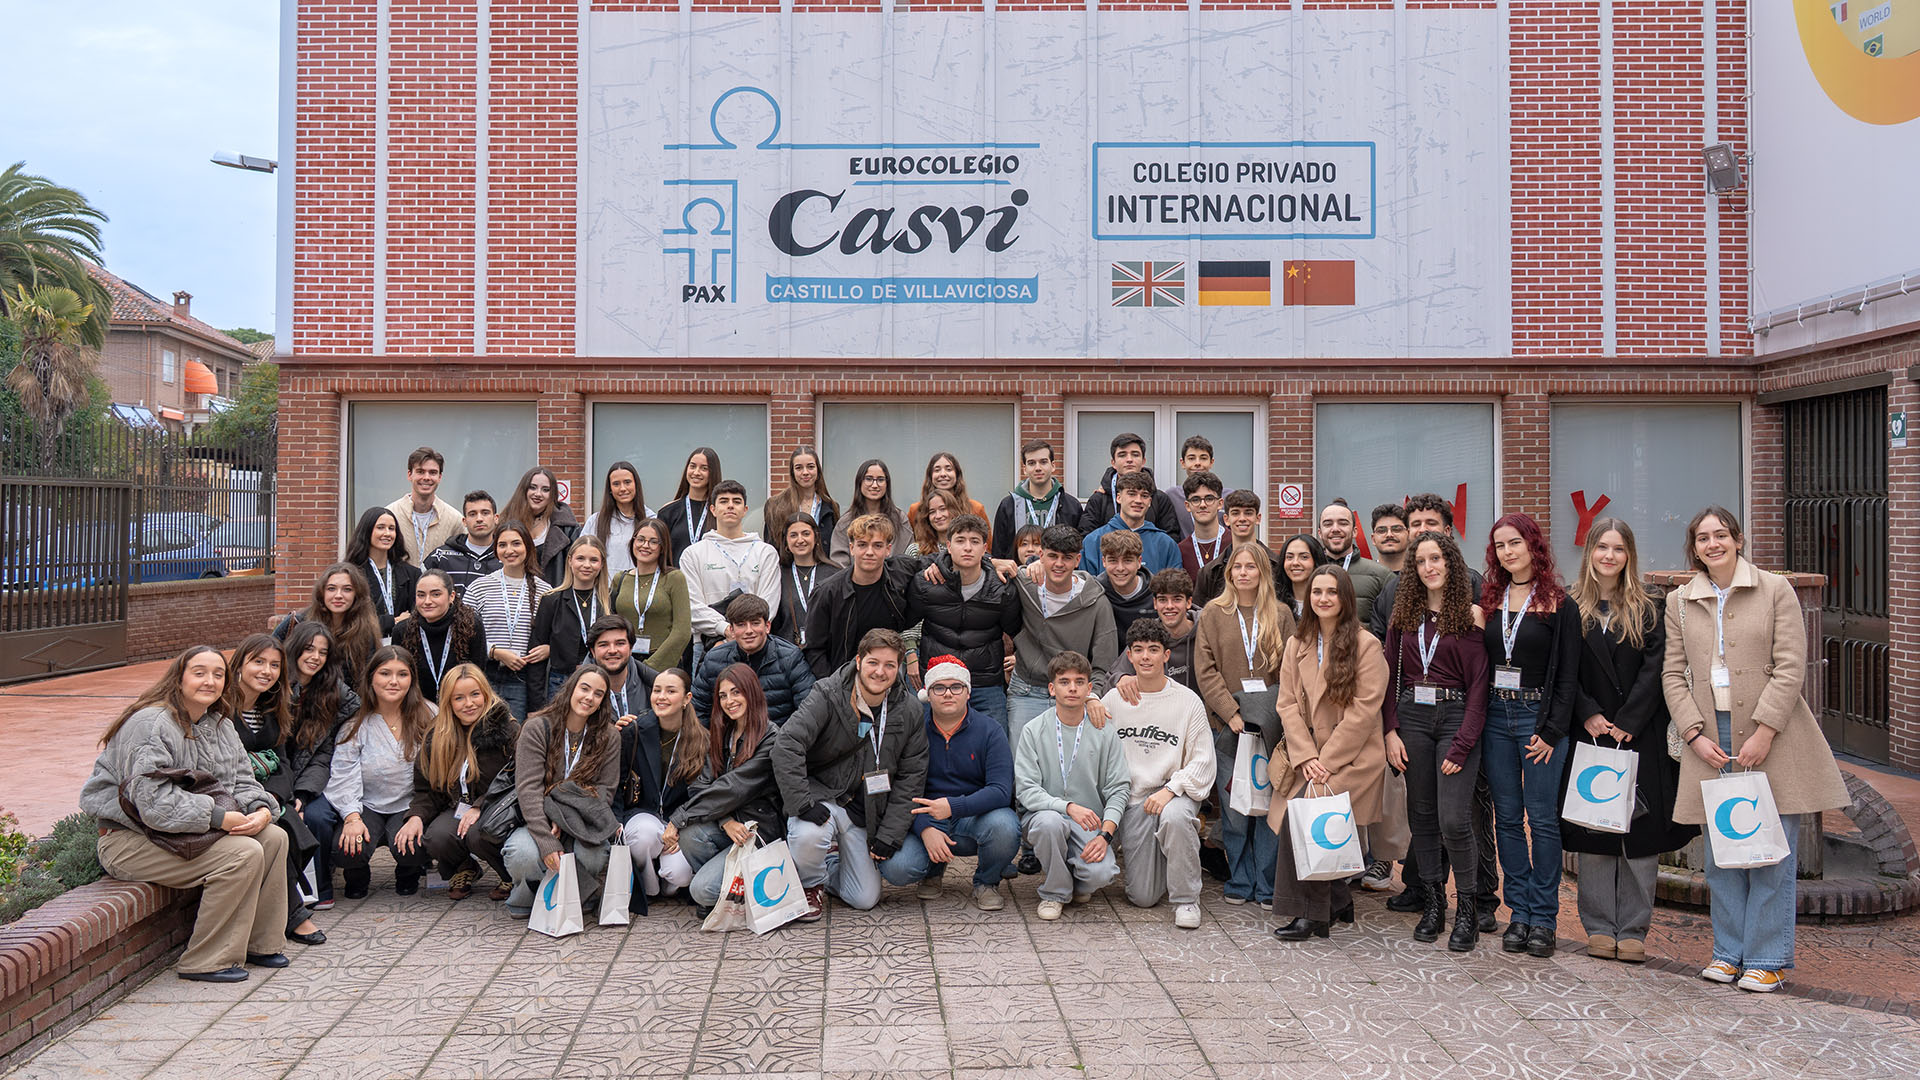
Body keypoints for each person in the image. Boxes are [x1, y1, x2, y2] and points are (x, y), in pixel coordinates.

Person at [1664, 505, 1848, 994]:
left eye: (1721, 535)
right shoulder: (1681, 601)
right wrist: (1693, 733)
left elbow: (1791, 665)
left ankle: (1767, 958)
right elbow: (1672, 674)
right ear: (1694, 547)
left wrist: (1765, 730)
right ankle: (1728, 952)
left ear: (1738, 539)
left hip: (1772, 735)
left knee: (1769, 851)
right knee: (1723, 851)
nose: (1712, 544)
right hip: (1711, 738)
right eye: (1702, 538)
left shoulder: (1774, 589)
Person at [81, 646, 290, 982]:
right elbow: (152, 803)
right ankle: (206, 959)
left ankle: (260, 943)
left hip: (180, 834)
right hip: (131, 840)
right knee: (242, 854)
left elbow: (242, 781)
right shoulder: (151, 724)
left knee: (274, 838)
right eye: (199, 672)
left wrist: (262, 810)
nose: (210, 681)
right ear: (178, 679)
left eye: (218, 674)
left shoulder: (219, 724)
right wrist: (218, 817)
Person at [1562, 518, 1696, 963]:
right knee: (1596, 830)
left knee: (1640, 836)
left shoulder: (1650, 606)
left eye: (1618, 549)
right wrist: (1590, 714)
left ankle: (1634, 929)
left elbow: (1659, 668)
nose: (1609, 556)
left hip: (1640, 733)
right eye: (1602, 547)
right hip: (1592, 733)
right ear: (1590, 552)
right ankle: (1599, 927)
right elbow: (1562, 672)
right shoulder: (1569, 605)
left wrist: (1630, 720)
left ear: (1629, 555)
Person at [1369, 493, 1496, 923]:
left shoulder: (1472, 614)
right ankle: (1434, 905)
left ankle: (1470, 909)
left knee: (1455, 820)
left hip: (1456, 719)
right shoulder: (1403, 615)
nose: (1429, 566)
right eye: (1420, 560)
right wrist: (1390, 731)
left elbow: (1480, 685)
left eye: (1436, 558)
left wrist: (1462, 744)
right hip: (1413, 721)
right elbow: (1390, 677)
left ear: (1450, 560)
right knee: (1421, 816)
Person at [1478, 512, 1582, 957]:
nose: (1508, 551)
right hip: (1496, 719)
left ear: (1533, 545)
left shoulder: (1560, 603)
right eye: (1500, 545)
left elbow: (1569, 677)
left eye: (1515, 542)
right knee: (1506, 819)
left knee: (1541, 819)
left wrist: (1553, 730)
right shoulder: (1491, 599)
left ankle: (1544, 917)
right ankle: (1517, 912)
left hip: (1539, 720)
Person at [774, 629, 929, 916]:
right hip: (821, 796)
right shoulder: (828, 693)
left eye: (890, 665)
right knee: (809, 837)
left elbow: (912, 776)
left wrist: (890, 834)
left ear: (899, 668)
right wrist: (802, 802)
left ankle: (829, 866)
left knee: (864, 898)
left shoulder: (909, 710)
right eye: (873, 662)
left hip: (864, 809)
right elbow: (787, 744)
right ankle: (810, 885)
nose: (880, 672)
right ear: (859, 661)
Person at [1271, 566, 1389, 941]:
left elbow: (1363, 712)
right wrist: (1306, 757)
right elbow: (1287, 704)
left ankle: (1311, 914)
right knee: (1309, 815)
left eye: (1332, 592)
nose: (1323, 598)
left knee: (1304, 817)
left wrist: (1328, 762)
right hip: (1308, 757)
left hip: (1353, 757)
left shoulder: (1366, 645)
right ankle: (1338, 900)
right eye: (1317, 591)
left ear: (1345, 598)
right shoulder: (1297, 643)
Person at [1195, 542, 1297, 907]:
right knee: (1236, 808)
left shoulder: (1281, 614)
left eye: (1250, 567)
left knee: (1269, 805)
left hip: (1270, 726)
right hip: (1228, 727)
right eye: (1236, 567)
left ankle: (1268, 884)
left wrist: (1271, 715)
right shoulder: (1213, 613)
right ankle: (1240, 878)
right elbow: (1205, 670)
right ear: (1228, 573)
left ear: (1262, 573)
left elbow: (1291, 671)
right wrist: (1230, 713)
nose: (1243, 573)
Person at [872, 656, 1019, 910]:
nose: (948, 694)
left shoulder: (990, 731)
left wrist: (953, 806)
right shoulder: (913, 731)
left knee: (1005, 827)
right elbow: (897, 789)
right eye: (939, 688)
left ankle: (986, 881)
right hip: (923, 815)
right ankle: (932, 870)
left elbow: (1001, 791)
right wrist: (924, 827)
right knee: (897, 868)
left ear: (968, 692)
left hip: (974, 817)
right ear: (928, 694)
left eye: (956, 687)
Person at [1104, 619, 1214, 929]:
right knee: (1143, 896)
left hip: (1171, 792)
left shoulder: (1187, 701)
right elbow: (1088, 731)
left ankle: (1186, 899)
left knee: (1176, 818)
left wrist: (1172, 789)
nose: (1146, 657)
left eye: (1153, 650)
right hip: (1133, 799)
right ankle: (1168, 856)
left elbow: (1204, 761)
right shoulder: (1114, 699)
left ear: (1166, 655)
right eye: (1138, 651)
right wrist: (1088, 700)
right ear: (1129, 655)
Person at [1012, 651, 1130, 921]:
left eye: (1079, 682)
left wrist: (1106, 836)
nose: (1073, 688)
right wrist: (1067, 806)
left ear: (1090, 688)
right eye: (1064, 682)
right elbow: (1027, 790)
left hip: (1088, 821)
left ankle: (1073, 879)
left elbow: (1119, 787)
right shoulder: (1033, 730)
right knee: (1050, 824)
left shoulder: (1104, 731)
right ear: (1052, 689)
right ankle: (1055, 893)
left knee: (1102, 874)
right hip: (1044, 814)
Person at [224, 635, 326, 946]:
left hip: (268, 795)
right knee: (283, 825)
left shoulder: (273, 707)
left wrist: (280, 797)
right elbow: (228, 766)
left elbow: (281, 763)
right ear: (240, 664)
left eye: (274, 665)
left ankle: (285, 909)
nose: (267, 671)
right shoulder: (222, 709)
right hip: (232, 795)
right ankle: (294, 913)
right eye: (258, 662)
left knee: (288, 817)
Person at [502, 665, 622, 916]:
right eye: (585, 689)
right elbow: (528, 787)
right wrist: (546, 834)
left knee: (593, 856)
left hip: (583, 820)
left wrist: (564, 818)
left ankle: (575, 894)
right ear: (571, 689)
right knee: (521, 855)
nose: (589, 698)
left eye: (598, 694)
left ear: (603, 701)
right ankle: (527, 894)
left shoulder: (609, 736)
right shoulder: (537, 727)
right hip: (537, 818)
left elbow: (605, 790)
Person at [394, 664, 518, 901]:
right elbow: (426, 789)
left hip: (498, 807)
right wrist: (416, 816)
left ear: (485, 693)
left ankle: (509, 874)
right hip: (458, 808)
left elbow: (516, 778)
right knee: (435, 837)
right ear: (448, 703)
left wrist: (481, 805)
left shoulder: (507, 729)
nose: (468, 703)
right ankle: (464, 868)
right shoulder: (437, 735)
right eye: (458, 698)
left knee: (478, 834)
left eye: (474, 694)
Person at [666, 664, 785, 911]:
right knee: (690, 835)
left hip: (757, 831)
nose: (729, 701)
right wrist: (725, 821)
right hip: (731, 827)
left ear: (751, 693)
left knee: (701, 890)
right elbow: (700, 787)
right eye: (723, 695)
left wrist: (679, 816)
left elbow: (734, 787)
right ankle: (727, 890)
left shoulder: (770, 737)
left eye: (736, 692)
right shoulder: (721, 733)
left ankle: (730, 893)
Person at [327, 645, 435, 899]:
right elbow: (343, 774)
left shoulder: (430, 716)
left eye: (402, 674)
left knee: (414, 845)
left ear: (412, 679)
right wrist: (352, 818)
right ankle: (357, 874)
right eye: (385, 673)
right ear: (371, 678)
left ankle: (408, 872)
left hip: (410, 803)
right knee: (347, 848)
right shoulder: (355, 725)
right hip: (368, 805)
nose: (393, 681)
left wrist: (419, 814)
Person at [904, 513, 1023, 725]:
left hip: (984, 682)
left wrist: (1020, 658)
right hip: (937, 678)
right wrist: (910, 653)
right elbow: (903, 622)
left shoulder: (1002, 589)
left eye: (975, 541)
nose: (967, 548)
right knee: (923, 747)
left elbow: (1019, 632)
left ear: (985, 548)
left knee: (995, 745)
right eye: (960, 541)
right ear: (948, 546)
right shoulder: (926, 583)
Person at [1006, 524, 1119, 744]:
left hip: (1074, 693)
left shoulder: (1096, 601)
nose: (1059, 564)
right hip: (1027, 690)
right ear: (1041, 556)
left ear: (1077, 560)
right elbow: (975, 567)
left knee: (1069, 769)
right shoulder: (1025, 583)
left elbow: (1104, 661)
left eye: (1066, 558)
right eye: (1052, 556)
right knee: (1021, 767)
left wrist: (1092, 695)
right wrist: (999, 562)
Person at [283, 621, 357, 910]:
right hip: (274, 775)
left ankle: (319, 887)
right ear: (295, 649)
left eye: (323, 652)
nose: (315, 657)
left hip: (311, 778)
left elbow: (325, 752)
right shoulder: (275, 685)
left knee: (315, 816)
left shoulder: (333, 691)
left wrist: (302, 793)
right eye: (309, 649)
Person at [618, 668, 706, 903]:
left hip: (680, 821)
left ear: (687, 699)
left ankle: (667, 882)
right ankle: (649, 888)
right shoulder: (634, 730)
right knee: (642, 836)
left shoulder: (701, 738)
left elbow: (701, 795)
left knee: (679, 875)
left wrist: (677, 826)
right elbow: (619, 783)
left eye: (671, 691)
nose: (661, 697)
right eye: (657, 690)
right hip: (643, 814)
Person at [805, 513, 919, 677]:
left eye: (877, 545)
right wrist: (833, 685)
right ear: (852, 548)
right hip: (843, 679)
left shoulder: (899, 572)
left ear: (888, 550)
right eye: (862, 545)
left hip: (888, 676)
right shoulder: (827, 592)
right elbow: (814, 649)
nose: (869, 552)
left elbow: (933, 562)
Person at [462, 520, 554, 719]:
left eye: (516, 543)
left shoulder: (545, 591)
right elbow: (462, 636)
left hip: (522, 680)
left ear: (528, 547)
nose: (509, 550)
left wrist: (549, 649)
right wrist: (495, 652)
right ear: (495, 550)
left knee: (515, 739)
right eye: (502, 545)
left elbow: (556, 635)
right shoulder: (479, 587)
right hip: (484, 676)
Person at [681, 480, 782, 653]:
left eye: (736, 501)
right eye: (723, 501)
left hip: (756, 643)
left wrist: (745, 630)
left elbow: (769, 602)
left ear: (745, 510)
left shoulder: (765, 552)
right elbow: (691, 605)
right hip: (709, 644)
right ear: (712, 510)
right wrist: (725, 629)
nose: (730, 506)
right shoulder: (693, 554)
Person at [1369, 492, 1483, 639]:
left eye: (1431, 523)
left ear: (1447, 531)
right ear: (1409, 533)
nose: (1423, 529)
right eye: (1416, 524)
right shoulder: (1392, 589)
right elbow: (1380, 640)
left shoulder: (1472, 583)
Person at [692, 594, 815, 726]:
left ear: (767, 626)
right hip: (729, 741)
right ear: (731, 630)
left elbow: (807, 711)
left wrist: (783, 743)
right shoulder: (714, 660)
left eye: (755, 623)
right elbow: (698, 710)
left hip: (779, 741)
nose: (749, 631)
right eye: (741, 625)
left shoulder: (790, 657)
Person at [530, 535, 613, 703]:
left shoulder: (610, 601)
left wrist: (552, 648)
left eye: (594, 560)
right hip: (560, 682)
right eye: (580, 558)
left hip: (600, 681)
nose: (587, 565)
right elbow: (536, 657)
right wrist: (535, 705)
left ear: (602, 564)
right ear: (570, 560)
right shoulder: (551, 600)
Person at [273, 563, 382, 687]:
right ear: (322, 592)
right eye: (331, 588)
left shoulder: (366, 633)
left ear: (357, 594)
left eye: (347, 589)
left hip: (342, 703)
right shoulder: (297, 622)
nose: (338, 595)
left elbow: (367, 680)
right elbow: (269, 656)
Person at [391, 570, 489, 704]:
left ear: (451, 596)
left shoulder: (471, 626)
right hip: (418, 708)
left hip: (461, 706)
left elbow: (478, 674)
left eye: (435, 594)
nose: (427, 601)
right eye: (421, 595)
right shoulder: (402, 630)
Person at [610, 517, 692, 671]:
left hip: (663, 665)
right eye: (640, 539)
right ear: (633, 542)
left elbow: (682, 631)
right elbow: (612, 624)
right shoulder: (620, 579)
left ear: (662, 547)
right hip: (626, 664)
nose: (645, 545)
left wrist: (650, 667)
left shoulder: (674, 578)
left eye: (654, 541)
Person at [1079, 433, 1183, 540]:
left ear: (1143, 461)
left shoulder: (1160, 499)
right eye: (1122, 455)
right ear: (1113, 463)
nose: (1129, 459)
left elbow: (1171, 538)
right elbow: (1086, 539)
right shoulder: (1099, 499)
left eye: (1135, 454)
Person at [993, 439, 1084, 561]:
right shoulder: (1008, 505)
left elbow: (1077, 548)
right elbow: (999, 552)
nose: (1038, 468)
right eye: (1031, 463)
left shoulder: (1071, 505)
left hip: (1058, 574)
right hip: (1018, 577)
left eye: (1043, 462)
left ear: (1053, 466)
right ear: (1025, 469)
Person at [1079, 471, 1181, 576]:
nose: (1138, 500)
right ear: (1118, 498)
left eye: (1144, 496)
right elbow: (1087, 588)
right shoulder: (1093, 541)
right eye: (1132, 494)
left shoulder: (1166, 544)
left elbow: (1172, 589)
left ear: (1150, 502)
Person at [1114, 569, 1199, 692]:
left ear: (1189, 602)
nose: (1169, 606)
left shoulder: (1206, 630)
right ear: (1155, 603)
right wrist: (1123, 677)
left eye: (1177, 599)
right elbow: (1113, 675)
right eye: (1163, 600)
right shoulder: (1147, 633)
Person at [1192, 490, 1283, 606]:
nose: (1242, 518)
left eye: (1248, 513)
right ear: (1226, 519)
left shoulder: (1277, 566)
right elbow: (1201, 616)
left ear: (1258, 518)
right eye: (1235, 513)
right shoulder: (1209, 573)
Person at [344, 506, 419, 639]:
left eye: (391, 528)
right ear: (367, 531)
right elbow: (351, 621)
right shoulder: (349, 574)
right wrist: (393, 621)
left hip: (403, 650)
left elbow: (417, 617)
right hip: (364, 649)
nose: (387, 533)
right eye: (380, 527)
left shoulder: (412, 574)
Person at [500, 466, 580, 587]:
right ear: (524, 490)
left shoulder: (568, 529)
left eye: (545, 489)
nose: (538, 494)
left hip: (553, 597)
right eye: (532, 487)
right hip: (512, 595)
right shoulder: (505, 522)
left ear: (552, 494)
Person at [764, 445, 841, 565]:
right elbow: (770, 549)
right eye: (799, 468)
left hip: (823, 577)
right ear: (792, 472)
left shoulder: (831, 506)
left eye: (810, 467)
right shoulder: (775, 506)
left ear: (818, 470)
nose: (805, 472)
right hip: (787, 576)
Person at [1317, 500, 1391, 624]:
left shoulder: (1382, 576)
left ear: (1355, 531)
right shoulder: (1309, 572)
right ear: (1320, 532)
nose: (1335, 529)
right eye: (1328, 524)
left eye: (1343, 523)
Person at [385, 446, 459, 567]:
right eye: (420, 471)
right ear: (409, 475)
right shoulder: (390, 514)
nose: (426, 477)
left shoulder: (454, 520)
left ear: (440, 477)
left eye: (433, 472)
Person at [424, 490, 502, 600]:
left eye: (485, 513)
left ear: (496, 518)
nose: (479, 519)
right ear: (464, 521)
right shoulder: (441, 557)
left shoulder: (506, 557)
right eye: (472, 514)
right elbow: (418, 594)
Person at [587, 614, 659, 729]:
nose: (612, 650)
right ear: (593, 651)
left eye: (620, 643)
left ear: (631, 648)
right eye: (603, 645)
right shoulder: (577, 694)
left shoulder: (654, 687)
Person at [907, 451, 989, 550]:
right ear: (930, 476)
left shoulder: (975, 508)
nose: (943, 474)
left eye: (949, 469)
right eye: (937, 470)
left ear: (957, 475)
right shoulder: (916, 510)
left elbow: (987, 549)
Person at [582, 461, 652, 574]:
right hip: (604, 590)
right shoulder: (595, 521)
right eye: (616, 484)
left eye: (627, 482)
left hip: (640, 589)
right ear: (610, 489)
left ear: (636, 485)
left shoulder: (650, 520)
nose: (622, 488)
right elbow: (583, 556)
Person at [774, 514, 830, 648]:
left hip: (825, 654)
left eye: (806, 534)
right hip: (787, 654)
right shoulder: (777, 574)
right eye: (793, 535)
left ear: (816, 538)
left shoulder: (834, 574)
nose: (800, 540)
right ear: (786, 541)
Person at [658, 447, 720, 557]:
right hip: (675, 573)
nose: (696, 472)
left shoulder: (719, 512)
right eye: (692, 466)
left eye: (704, 468)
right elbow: (659, 553)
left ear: (713, 473)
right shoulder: (668, 511)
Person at [1165, 435, 1231, 538]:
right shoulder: (1172, 496)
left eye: (1203, 458)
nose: (1197, 463)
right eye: (1191, 458)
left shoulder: (1228, 496)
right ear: (1182, 463)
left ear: (1211, 462)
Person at [1095, 529, 1157, 636]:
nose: (1120, 568)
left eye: (1127, 560)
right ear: (1104, 562)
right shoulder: (1095, 592)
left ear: (1139, 562)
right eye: (1113, 560)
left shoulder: (1157, 592)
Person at [1177, 471, 1228, 581]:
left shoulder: (1234, 544)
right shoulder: (1180, 551)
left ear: (1220, 503)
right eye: (1195, 500)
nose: (1203, 505)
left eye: (1209, 499)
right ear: (1187, 506)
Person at [1276, 533, 1330, 620]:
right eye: (1289, 557)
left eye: (1304, 557)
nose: (1295, 563)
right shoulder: (1273, 601)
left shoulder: (1328, 601)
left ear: (1316, 561)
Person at [1370, 503, 1411, 575]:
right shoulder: (1365, 575)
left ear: (1408, 535)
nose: (1389, 535)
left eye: (1397, 529)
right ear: (1373, 539)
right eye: (1381, 530)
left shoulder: (1423, 574)